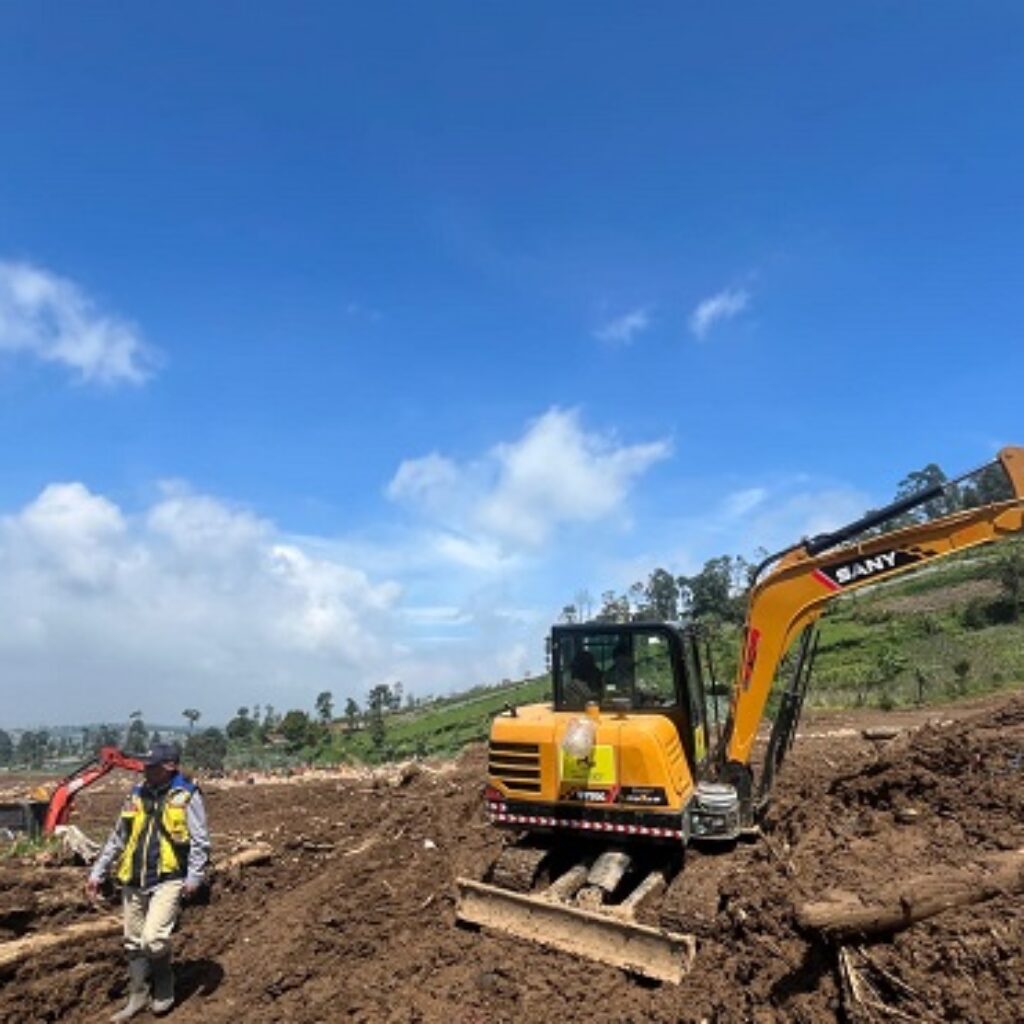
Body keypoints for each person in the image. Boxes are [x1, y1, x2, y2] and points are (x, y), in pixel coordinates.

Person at [86, 742, 210, 1022]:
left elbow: (200, 841)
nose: (145, 769)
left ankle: (165, 983)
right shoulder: (136, 794)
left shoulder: (186, 795)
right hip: (134, 877)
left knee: (153, 939)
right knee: (132, 941)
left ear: (170, 767)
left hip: (169, 876)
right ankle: (138, 995)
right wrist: (98, 871)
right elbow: (118, 836)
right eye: (145, 765)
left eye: (152, 765)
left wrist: (195, 876)